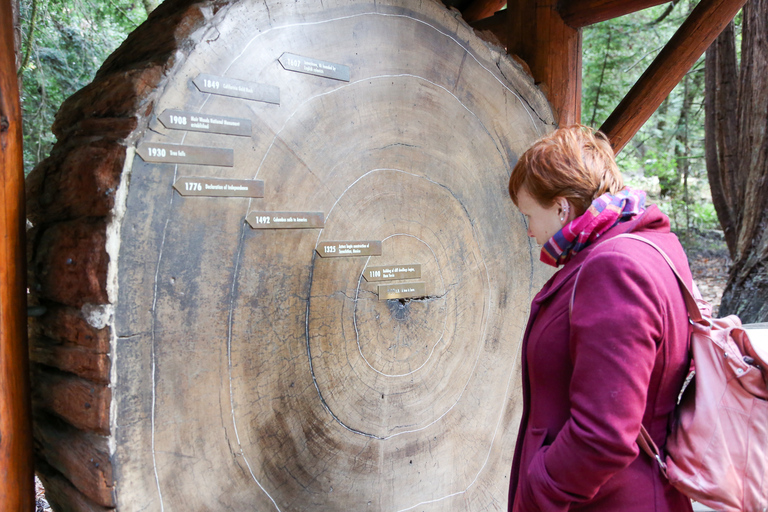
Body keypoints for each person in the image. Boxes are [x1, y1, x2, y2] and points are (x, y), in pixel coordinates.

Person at [507, 125, 694, 512]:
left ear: (561, 207)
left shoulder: (614, 269)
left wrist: (538, 491)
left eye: (529, 215)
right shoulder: (647, 244)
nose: (529, 231)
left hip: (608, 500)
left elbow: (603, 434)